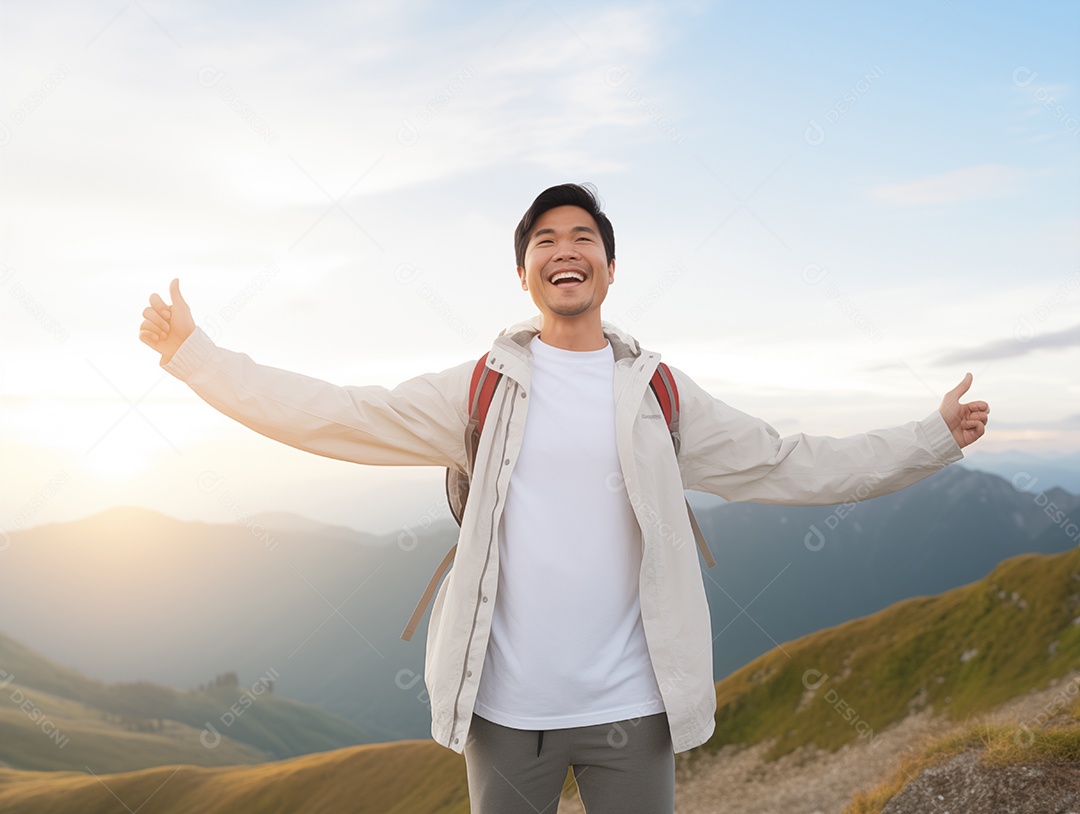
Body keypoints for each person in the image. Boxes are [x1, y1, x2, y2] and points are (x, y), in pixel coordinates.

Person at [139, 183, 989, 814]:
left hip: (635, 710)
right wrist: (196, 356)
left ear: (610, 269)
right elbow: (335, 414)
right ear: (524, 273)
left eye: (583, 237)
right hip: (507, 714)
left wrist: (933, 436)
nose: (564, 249)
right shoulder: (476, 388)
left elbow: (791, 463)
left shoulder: (660, 393)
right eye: (544, 240)